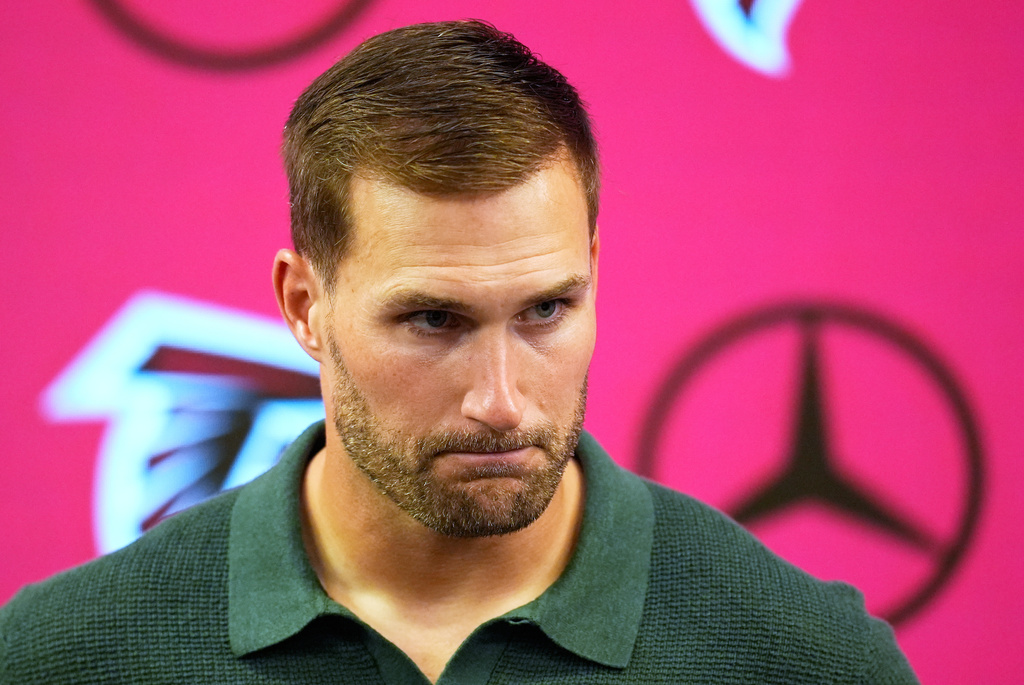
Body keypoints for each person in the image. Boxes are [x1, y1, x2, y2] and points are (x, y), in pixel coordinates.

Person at [0, 20, 919, 684]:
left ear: (595, 272)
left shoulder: (807, 659)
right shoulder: (63, 655)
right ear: (303, 305)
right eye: (434, 320)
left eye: (548, 309)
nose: (503, 400)